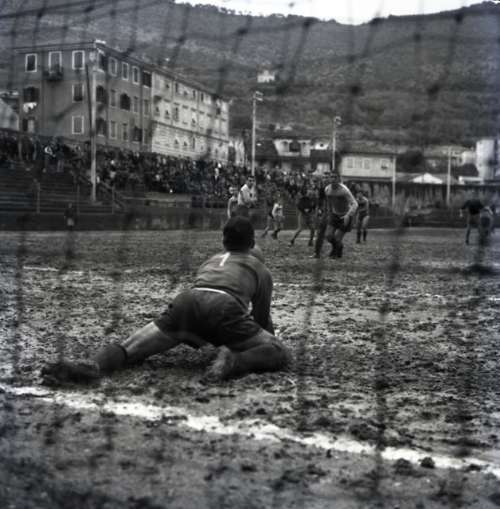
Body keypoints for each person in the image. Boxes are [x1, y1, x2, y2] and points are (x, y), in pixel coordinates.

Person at [41, 217, 290, 386]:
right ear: (252, 243)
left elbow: (204, 305)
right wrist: (251, 345)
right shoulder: (260, 268)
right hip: (225, 307)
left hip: (187, 302)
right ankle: (234, 362)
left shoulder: (211, 261)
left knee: (129, 348)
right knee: (279, 352)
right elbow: (261, 320)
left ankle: (93, 366)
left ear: (223, 242)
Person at [313, 171, 358, 259]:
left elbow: (355, 204)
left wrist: (348, 215)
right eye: (331, 177)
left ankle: (335, 251)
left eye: (335, 177)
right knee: (328, 236)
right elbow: (329, 203)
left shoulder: (344, 190)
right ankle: (339, 247)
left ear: (338, 179)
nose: (333, 179)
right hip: (334, 215)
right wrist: (330, 213)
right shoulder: (327, 189)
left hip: (345, 215)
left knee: (337, 238)